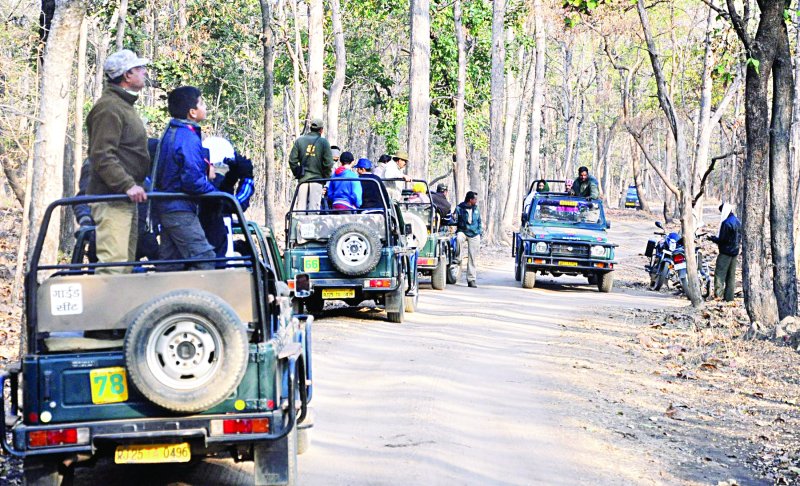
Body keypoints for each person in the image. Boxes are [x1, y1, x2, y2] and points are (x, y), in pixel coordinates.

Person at [85, 49, 151, 274]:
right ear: (127, 75)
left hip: (124, 199)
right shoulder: (109, 108)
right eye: (139, 68)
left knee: (124, 268)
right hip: (112, 199)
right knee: (112, 269)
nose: (144, 72)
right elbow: (102, 154)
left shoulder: (123, 105)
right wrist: (126, 185)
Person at [153, 86, 217, 271]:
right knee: (205, 259)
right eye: (202, 103)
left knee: (170, 263)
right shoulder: (187, 137)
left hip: (170, 207)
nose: (205, 107)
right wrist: (216, 193)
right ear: (192, 112)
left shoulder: (174, 132)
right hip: (179, 209)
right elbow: (192, 181)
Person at [200, 136, 255, 261]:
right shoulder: (210, 194)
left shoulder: (197, 185)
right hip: (218, 261)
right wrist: (247, 179)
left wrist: (230, 179)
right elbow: (237, 203)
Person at [289, 118, 334, 211]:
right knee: (313, 210)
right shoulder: (324, 143)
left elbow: (292, 161)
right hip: (317, 181)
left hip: (303, 181)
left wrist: (298, 173)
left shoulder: (299, 141)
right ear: (321, 130)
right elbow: (328, 164)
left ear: (310, 128)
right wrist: (325, 178)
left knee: (300, 209)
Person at [708, 203, 741, 302]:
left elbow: (722, 240)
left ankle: (718, 296)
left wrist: (712, 238)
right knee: (731, 276)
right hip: (734, 252)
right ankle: (729, 298)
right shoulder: (737, 221)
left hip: (725, 253)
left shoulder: (726, 223)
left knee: (719, 275)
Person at [454, 191, 482, 288]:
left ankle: (471, 279)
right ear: (470, 200)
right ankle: (458, 258)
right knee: (458, 238)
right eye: (475, 199)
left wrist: (479, 231)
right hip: (463, 231)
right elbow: (454, 219)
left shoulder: (476, 209)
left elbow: (479, 221)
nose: (476, 201)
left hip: (474, 233)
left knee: (472, 257)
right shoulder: (459, 208)